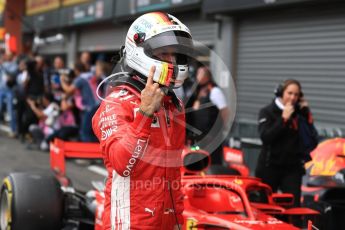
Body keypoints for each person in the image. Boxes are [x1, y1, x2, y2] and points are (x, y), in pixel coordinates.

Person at [92, 12, 194, 229]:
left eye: (174, 55)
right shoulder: (116, 103)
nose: (171, 61)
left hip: (167, 221)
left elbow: (172, 174)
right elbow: (122, 164)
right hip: (129, 222)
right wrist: (145, 114)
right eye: (163, 53)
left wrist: (178, 219)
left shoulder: (174, 105)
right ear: (139, 50)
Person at [255, 79, 317, 207]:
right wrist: (283, 120)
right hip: (269, 166)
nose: (292, 97)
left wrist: (307, 117)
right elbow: (266, 137)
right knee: (265, 206)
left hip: (292, 168)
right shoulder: (267, 111)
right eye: (289, 93)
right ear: (281, 93)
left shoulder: (300, 114)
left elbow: (312, 141)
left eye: (296, 94)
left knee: (293, 208)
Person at [188, 66, 229, 165]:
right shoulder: (198, 90)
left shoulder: (215, 91)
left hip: (211, 136)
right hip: (199, 136)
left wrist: (221, 128)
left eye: (199, 74)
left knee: (212, 162)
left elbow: (225, 110)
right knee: (199, 162)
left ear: (206, 76)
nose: (196, 77)